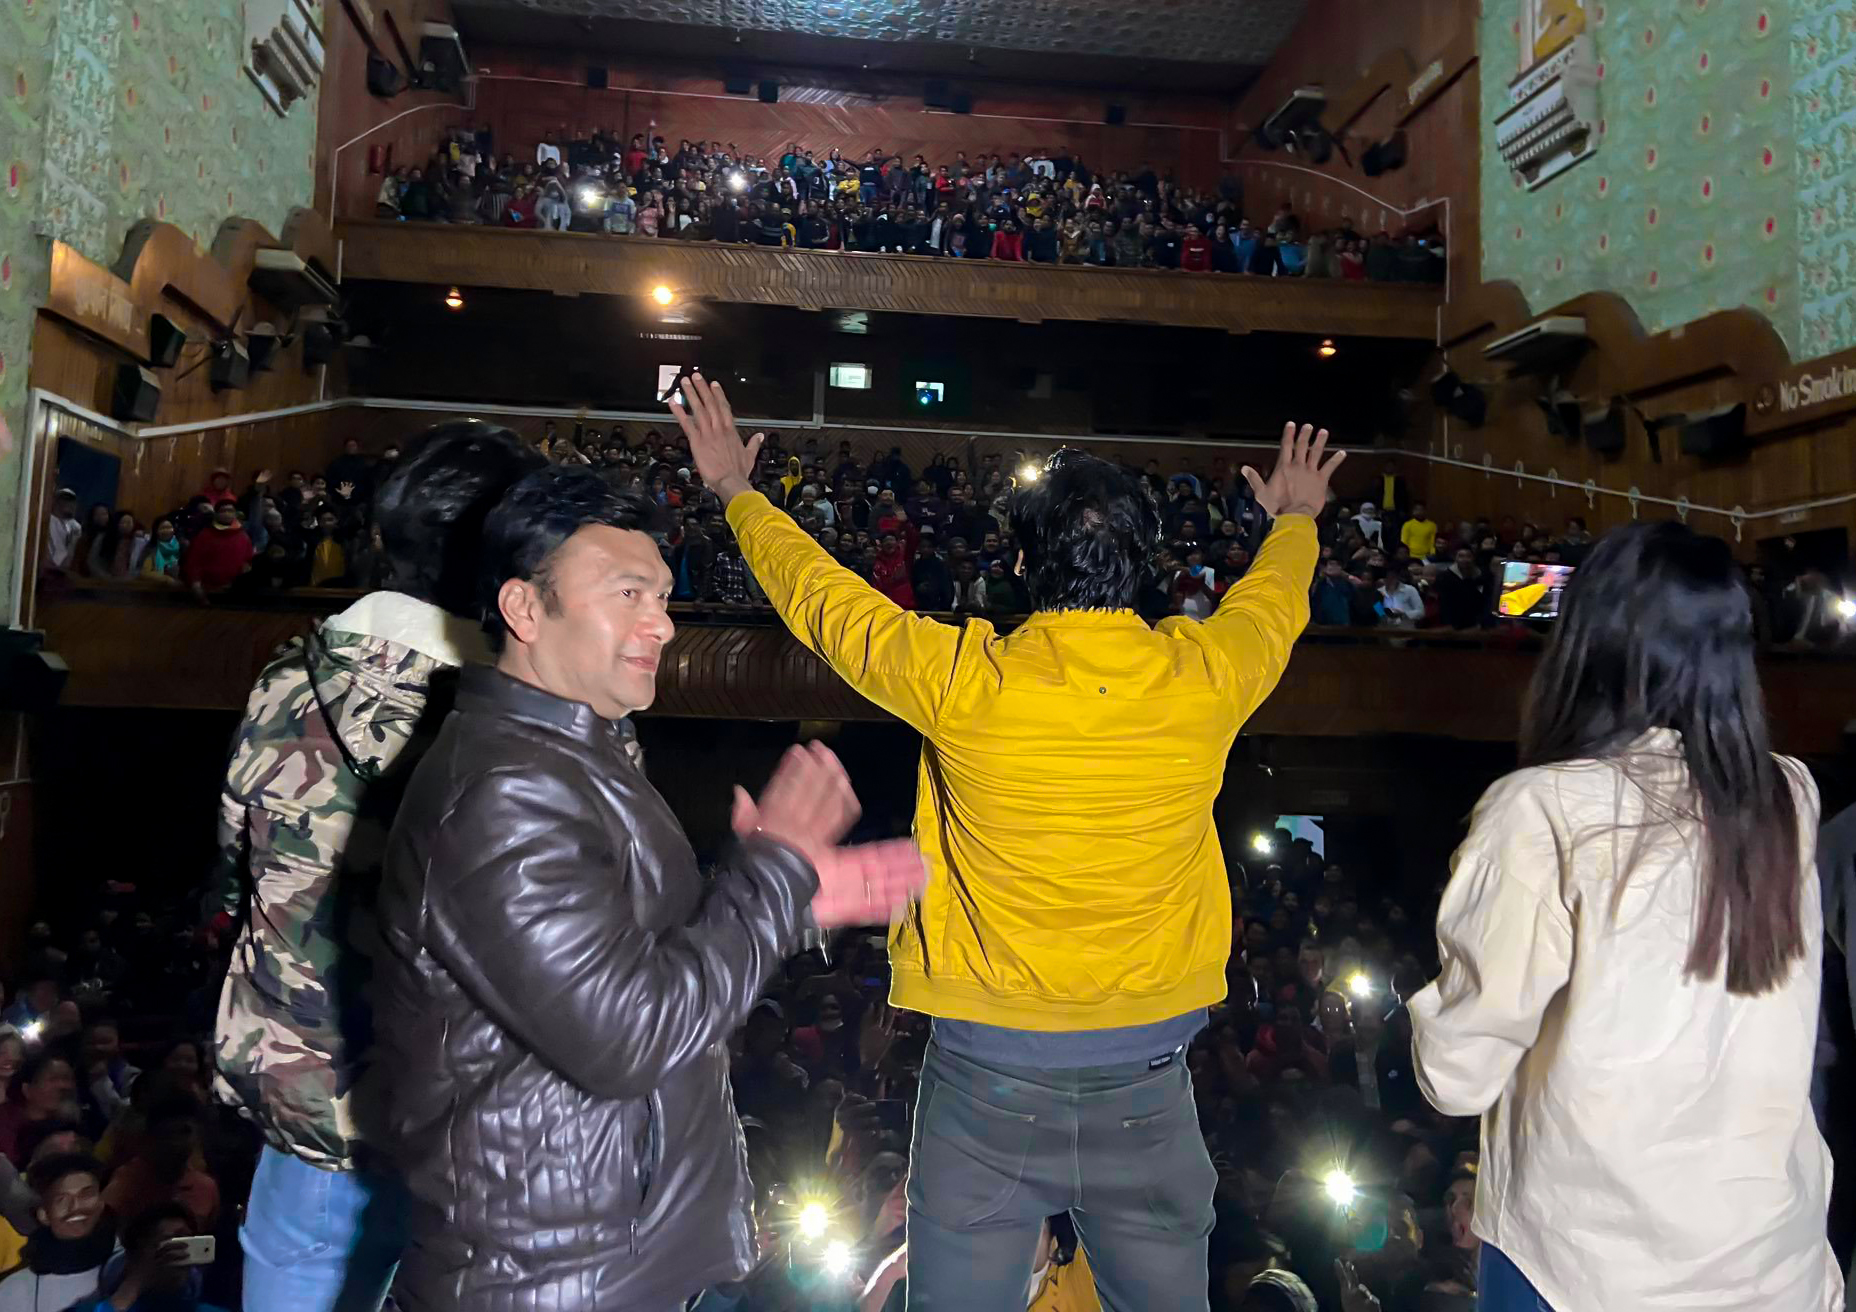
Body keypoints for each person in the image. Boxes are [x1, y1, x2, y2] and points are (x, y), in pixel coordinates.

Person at [673, 376, 1344, 1310]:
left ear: (1024, 566)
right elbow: (1272, 606)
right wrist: (1297, 518)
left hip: (984, 1087)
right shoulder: (1205, 676)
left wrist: (736, 493)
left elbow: (829, 605)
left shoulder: (966, 679)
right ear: (1143, 567)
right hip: (1150, 1085)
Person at [372, 466, 925, 1312]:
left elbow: (633, 961)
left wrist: (793, 898)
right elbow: (629, 1034)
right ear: (524, 609)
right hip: (551, 1279)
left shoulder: (574, 758)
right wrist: (774, 875)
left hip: (603, 1261)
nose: (661, 623)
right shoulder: (503, 793)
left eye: (662, 596)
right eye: (627, 593)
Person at [1409, 522, 1841, 1311]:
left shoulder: (1541, 810)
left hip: (1584, 1267)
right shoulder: (1788, 795)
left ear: (1589, 643)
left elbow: (1457, 1075)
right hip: (1773, 1258)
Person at [204, 422, 545, 1312]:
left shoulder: (285, 680)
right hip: (475, 1144)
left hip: (309, 1105)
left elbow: (236, 867)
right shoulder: (543, 725)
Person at [0, 1154, 114, 1312]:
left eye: (86, 1195)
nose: (75, 1206)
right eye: (62, 1199)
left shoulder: (128, 1264)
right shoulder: (15, 1291)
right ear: (44, 1215)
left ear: (101, 1203)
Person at [68, 1205, 229, 1312]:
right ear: (135, 1253)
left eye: (185, 1241)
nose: (178, 1253)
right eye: (168, 1242)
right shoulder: (91, 1308)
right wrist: (136, 1282)